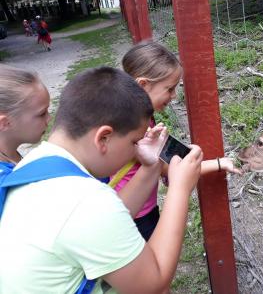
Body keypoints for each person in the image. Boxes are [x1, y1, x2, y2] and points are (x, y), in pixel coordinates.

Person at [0, 67, 203, 293]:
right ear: (103, 138)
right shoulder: (86, 202)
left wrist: (151, 166)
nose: (136, 149)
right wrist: (179, 188)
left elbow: (111, 218)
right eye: (135, 142)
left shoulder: (38, 163)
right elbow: (152, 284)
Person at [114, 40, 242, 241]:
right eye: (169, 89)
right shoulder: (135, 129)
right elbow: (168, 169)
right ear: (143, 85)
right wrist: (217, 163)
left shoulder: (132, 116)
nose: (174, 96)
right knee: (152, 267)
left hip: (138, 208)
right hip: (137, 217)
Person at [0, 64, 51, 166]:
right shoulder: (6, 179)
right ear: (4, 123)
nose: (49, 118)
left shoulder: (10, 156)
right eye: (42, 114)